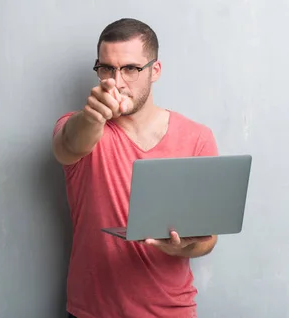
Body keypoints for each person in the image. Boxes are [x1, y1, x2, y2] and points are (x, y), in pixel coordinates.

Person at [51, 18, 220, 318]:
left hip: (171, 312)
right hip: (91, 312)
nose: (116, 81)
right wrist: (93, 116)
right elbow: (69, 145)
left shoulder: (197, 137)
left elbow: (208, 240)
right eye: (106, 68)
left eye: (130, 68)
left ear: (154, 71)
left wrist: (179, 249)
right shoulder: (79, 126)